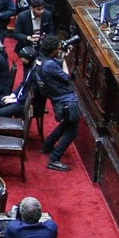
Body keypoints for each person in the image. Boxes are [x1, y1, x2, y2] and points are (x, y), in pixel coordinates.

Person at [35, 35, 80, 171]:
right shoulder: (49, 65)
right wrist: (65, 59)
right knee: (72, 131)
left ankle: (47, 145)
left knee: (66, 124)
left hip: (58, 98)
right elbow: (66, 76)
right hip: (65, 100)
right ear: (54, 50)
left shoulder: (42, 59)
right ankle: (54, 159)